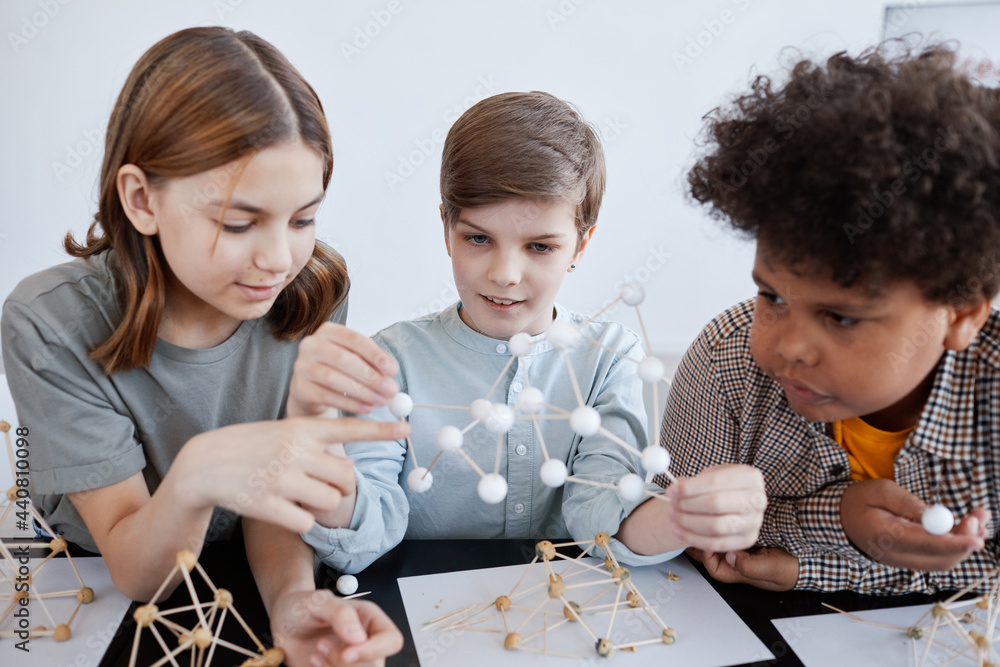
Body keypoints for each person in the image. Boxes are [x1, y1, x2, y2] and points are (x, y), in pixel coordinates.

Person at [2, 27, 407, 666]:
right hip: (100, 586)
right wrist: (198, 472)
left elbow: (274, 498)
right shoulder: (49, 321)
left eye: (303, 218)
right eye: (238, 223)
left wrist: (293, 604)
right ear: (141, 199)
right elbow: (138, 570)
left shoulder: (311, 291)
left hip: (246, 565)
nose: (279, 259)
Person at [304, 91, 766, 570]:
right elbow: (363, 540)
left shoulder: (609, 360)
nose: (505, 273)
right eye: (478, 238)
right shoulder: (389, 362)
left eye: (540, 247)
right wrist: (319, 469)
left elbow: (605, 519)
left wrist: (684, 517)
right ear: (446, 229)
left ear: (580, 246)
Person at [655, 42, 1000, 594]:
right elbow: (680, 530)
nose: (790, 346)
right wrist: (838, 516)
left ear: (961, 314)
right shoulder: (727, 360)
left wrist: (812, 561)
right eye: (773, 298)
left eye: (839, 318)